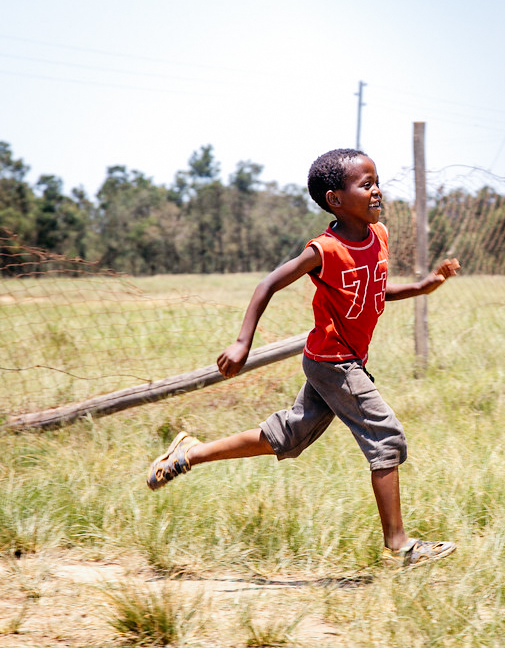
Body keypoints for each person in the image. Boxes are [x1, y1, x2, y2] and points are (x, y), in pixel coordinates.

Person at [146, 148, 461, 569]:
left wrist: (422, 287)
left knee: (289, 436)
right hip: (334, 361)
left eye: (376, 182)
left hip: (341, 359)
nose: (376, 191)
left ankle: (190, 453)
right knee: (386, 437)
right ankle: (401, 545)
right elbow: (267, 285)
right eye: (365, 185)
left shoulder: (379, 236)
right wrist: (243, 342)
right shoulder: (323, 250)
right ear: (335, 199)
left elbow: (371, 293)